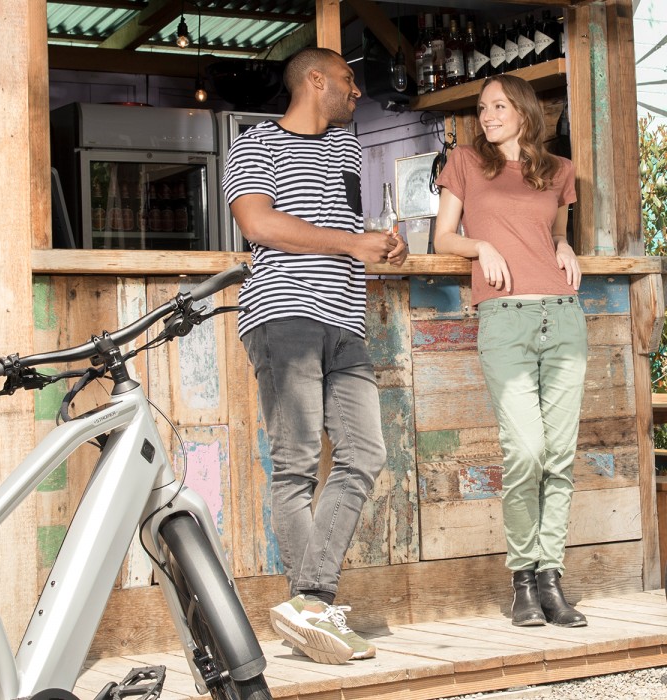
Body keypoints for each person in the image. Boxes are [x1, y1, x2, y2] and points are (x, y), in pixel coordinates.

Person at [222, 47, 408, 665]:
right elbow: (260, 225)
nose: (357, 92)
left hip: (345, 318)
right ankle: (315, 609)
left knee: (365, 453)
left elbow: (344, 226)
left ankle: (308, 603)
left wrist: (380, 246)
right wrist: (353, 241)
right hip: (284, 313)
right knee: (297, 464)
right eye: (350, 81)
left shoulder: (349, 147)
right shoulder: (253, 144)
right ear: (316, 79)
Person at [432, 74, 587, 628]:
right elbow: (442, 238)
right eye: (482, 107)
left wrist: (566, 246)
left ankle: (551, 579)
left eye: (499, 105)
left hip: (563, 316)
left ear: (523, 110)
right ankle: (523, 576)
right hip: (504, 320)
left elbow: (554, 234)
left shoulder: (558, 171)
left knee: (560, 458)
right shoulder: (466, 165)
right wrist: (482, 244)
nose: (488, 114)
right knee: (526, 451)